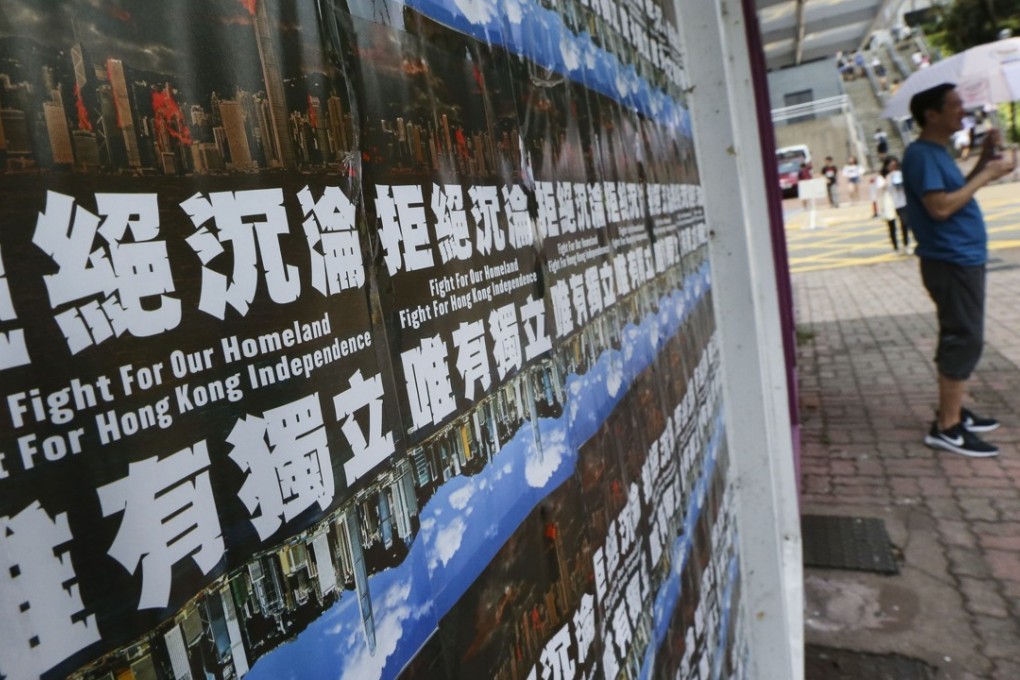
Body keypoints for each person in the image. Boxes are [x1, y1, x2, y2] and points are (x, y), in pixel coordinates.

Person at [902, 83, 1015, 456]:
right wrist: (988, 175)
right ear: (931, 115)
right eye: (954, 105)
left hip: (959, 257)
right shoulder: (922, 155)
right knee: (964, 338)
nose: (962, 111)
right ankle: (947, 428)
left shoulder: (937, 152)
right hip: (951, 259)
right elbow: (940, 208)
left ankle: (951, 411)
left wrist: (984, 162)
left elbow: (955, 193)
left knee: (958, 335)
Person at [877, 156, 909, 252]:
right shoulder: (882, 176)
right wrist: (889, 178)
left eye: (895, 165)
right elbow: (880, 187)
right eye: (891, 166)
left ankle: (906, 244)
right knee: (892, 225)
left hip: (901, 202)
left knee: (904, 223)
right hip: (889, 203)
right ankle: (895, 246)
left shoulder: (900, 173)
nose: (893, 168)